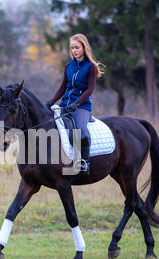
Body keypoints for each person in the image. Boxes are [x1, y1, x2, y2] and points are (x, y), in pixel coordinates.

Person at [45, 34, 104, 174]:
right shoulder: (69, 66)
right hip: (65, 104)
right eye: (72, 48)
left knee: (79, 128)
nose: (74, 51)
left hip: (82, 106)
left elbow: (89, 90)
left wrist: (77, 103)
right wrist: (51, 102)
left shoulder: (90, 67)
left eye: (77, 47)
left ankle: (84, 162)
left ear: (84, 47)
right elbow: (62, 87)